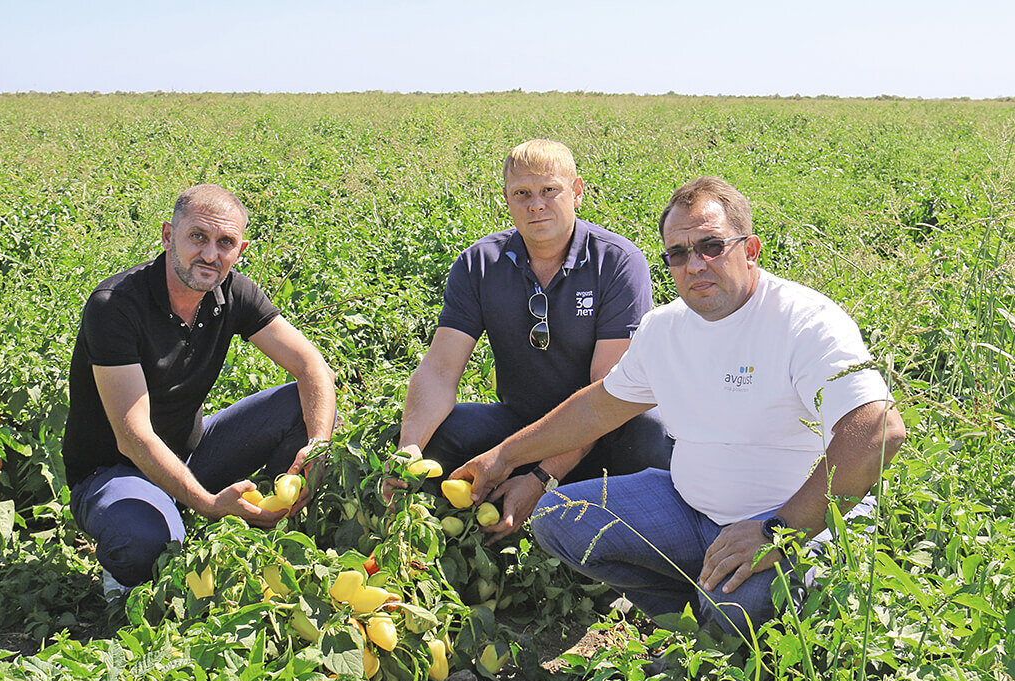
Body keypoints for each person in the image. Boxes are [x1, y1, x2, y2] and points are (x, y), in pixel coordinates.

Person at [453, 176, 906, 633]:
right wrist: (504, 456)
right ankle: (690, 617)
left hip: (791, 524)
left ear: (750, 250)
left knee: (737, 611)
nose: (695, 265)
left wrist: (776, 531)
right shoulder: (665, 328)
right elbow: (597, 408)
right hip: (691, 509)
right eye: (678, 253)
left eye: (712, 246)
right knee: (558, 519)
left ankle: (718, 619)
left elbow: (878, 431)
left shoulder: (803, 322)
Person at [392, 139, 672, 543]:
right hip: (523, 426)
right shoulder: (480, 264)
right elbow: (439, 370)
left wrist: (542, 477)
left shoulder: (616, 262)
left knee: (650, 435)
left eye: (549, 190)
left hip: (605, 435)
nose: (535, 205)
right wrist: (408, 451)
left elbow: (607, 394)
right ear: (506, 199)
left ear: (577, 191)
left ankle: (632, 542)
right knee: (438, 433)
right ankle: (446, 537)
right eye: (522, 193)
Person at [62, 184, 336, 591]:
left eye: (225, 243)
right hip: (114, 470)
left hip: (190, 453)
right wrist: (208, 505)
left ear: (240, 250)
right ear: (167, 235)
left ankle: (261, 534)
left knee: (306, 404)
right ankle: (138, 548)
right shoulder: (116, 305)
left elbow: (313, 367)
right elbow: (132, 437)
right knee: (144, 544)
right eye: (197, 237)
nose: (210, 254)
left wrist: (317, 447)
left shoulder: (233, 292)